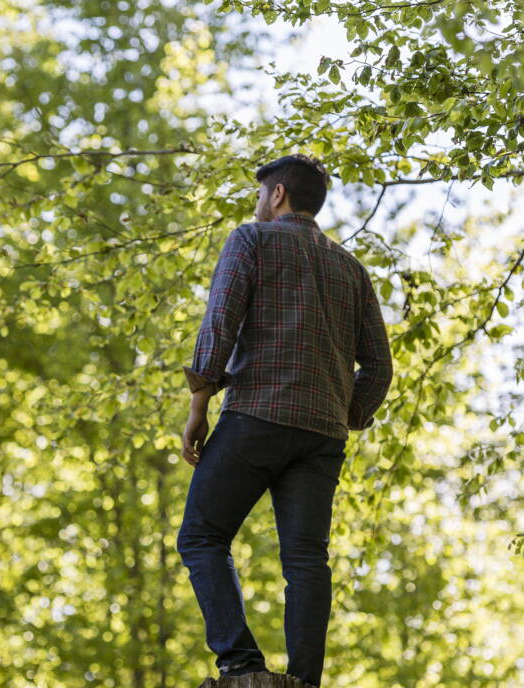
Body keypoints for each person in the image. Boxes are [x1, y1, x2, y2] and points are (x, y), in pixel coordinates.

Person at [176, 154, 394, 687]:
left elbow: (220, 322)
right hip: (323, 434)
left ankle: (240, 662)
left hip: (256, 415)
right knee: (306, 561)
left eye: (260, 194)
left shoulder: (252, 240)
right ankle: (304, 681)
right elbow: (380, 366)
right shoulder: (351, 267)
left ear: (276, 195)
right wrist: (345, 410)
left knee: (202, 536)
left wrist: (198, 407)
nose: (256, 204)